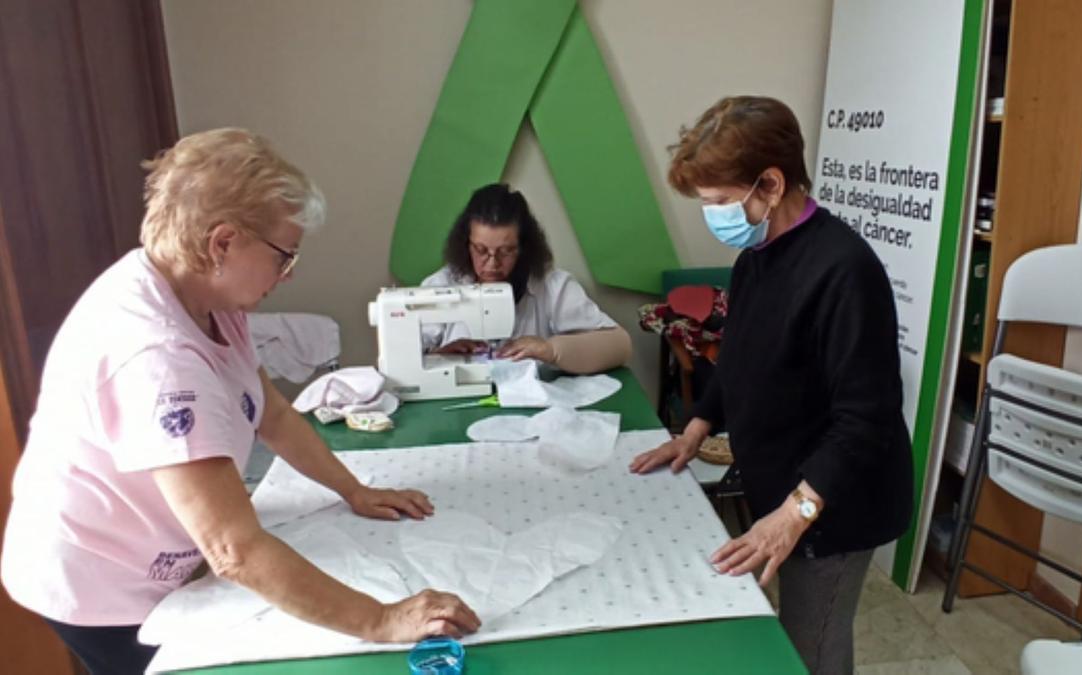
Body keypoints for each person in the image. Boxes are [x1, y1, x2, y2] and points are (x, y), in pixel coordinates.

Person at [0, 129, 479, 675]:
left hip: (162, 548)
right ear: (222, 242)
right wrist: (381, 619)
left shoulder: (205, 295)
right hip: (99, 580)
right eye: (284, 255)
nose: (290, 272)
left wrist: (355, 489)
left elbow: (270, 411)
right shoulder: (157, 356)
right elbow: (234, 550)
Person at [629, 96, 913, 674]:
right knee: (789, 633)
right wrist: (697, 427)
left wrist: (794, 513)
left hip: (837, 503)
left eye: (718, 202)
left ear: (772, 184)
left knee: (811, 646)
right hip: (784, 484)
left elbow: (867, 418)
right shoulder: (756, 255)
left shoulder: (844, 270)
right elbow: (741, 359)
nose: (711, 214)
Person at [421, 183, 632, 374]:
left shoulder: (551, 286)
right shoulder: (441, 286)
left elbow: (620, 345)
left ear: (523, 247)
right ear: (466, 244)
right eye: (481, 250)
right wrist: (438, 357)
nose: (492, 264)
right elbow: (395, 363)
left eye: (506, 251)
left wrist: (551, 350)